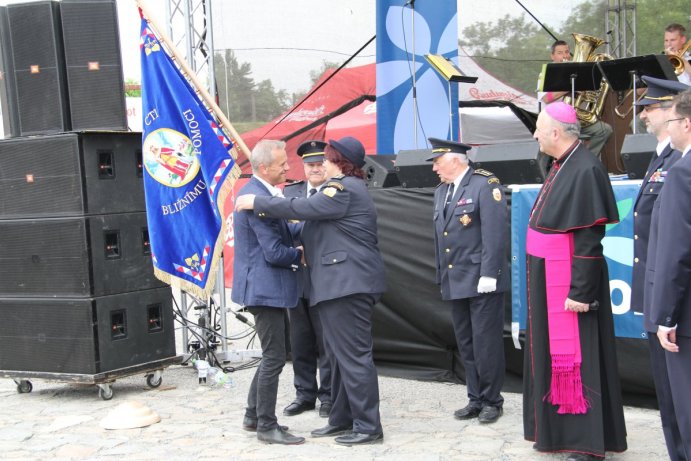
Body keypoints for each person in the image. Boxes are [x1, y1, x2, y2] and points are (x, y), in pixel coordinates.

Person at [235, 136, 386, 446]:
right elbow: (304, 224)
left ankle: (368, 426)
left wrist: (258, 202)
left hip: (347, 286)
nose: (320, 165)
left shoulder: (342, 189)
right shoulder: (342, 190)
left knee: (354, 358)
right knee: (342, 357)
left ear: (338, 163)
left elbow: (303, 207)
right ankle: (342, 418)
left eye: (326, 160)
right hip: (336, 286)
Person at [523, 102, 627, 461]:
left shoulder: (584, 169)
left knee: (578, 358)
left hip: (569, 281)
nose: (534, 134)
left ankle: (583, 443)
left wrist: (580, 292)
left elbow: (587, 237)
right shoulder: (562, 163)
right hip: (550, 272)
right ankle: (555, 433)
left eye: (539, 128)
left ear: (555, 132)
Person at [427, 137, 508, 424]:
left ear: (455, 159)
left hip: (481, 278)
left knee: (486, 343)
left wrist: (490, 272)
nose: (435, 167)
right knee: (467, 343)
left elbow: (495, 233)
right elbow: (443, 238)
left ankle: (491, 400)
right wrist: (441, 273)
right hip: (455, 278)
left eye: (438, 161)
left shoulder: (484, 184)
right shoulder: (442, 192)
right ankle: (475, 397)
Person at [231, 139, 305, 445]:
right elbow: (275, 252)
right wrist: (299, 254)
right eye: (282, 164)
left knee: (271, 355)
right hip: (264, 289)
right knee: (274, 357)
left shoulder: (262, 194)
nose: (288, 168)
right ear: (263, 168)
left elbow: (285, 232)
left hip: (267, 288)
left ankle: (252, 415)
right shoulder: (255, 199)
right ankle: (266, 424)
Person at [632, 76, 688, 461]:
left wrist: (664, 306)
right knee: (669, 398)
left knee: (680, 397)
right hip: (659, 291)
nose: (644, 115)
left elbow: (675, 241)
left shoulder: (679, 163)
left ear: (674, 111)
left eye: (650, 108)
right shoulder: (662, 156)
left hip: (674, 297)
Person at [647, 89, 691, 459]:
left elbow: (676, 252)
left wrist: (665, 315)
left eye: (674, 120)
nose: (670, 128)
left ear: (687, 123)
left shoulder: (682, 172)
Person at [281, 140, 332, 418]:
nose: (315, 168)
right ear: (303, 167)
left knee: (326, 342)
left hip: (326, 279)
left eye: (320, 163)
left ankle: (329, 396)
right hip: (297, 278)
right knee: (300, 342)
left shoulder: (336, 192)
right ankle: (304, 394)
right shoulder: (291, 193)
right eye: (310, 164)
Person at [539, 39, 613, 158]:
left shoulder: (578, 72)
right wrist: (571, 86)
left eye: (567, 52)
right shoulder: (546, 74)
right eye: (560, 53)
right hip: (554, 122)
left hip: (575, 120)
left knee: (605, 130)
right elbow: (546, 98)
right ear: (552, 56)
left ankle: (586, 159)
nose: (565, 56)